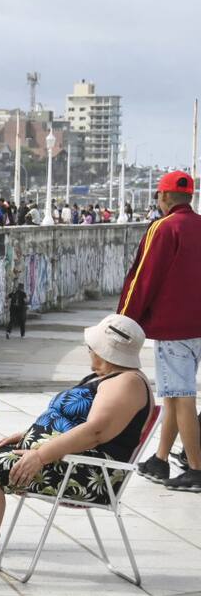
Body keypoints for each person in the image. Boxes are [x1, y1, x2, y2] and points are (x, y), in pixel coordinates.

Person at [0, 314, 153, 587]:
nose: (88, 350)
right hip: (62, 458)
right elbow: (73, 422)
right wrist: (28, 436)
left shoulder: (127, 382)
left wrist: (40, 454)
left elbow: (96, 432)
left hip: (87, 471)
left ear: (101, 349)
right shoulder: (108, 377)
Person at [125, 171, 201, 490]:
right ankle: (159, 460)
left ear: (165, 197)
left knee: (181, 394)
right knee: (172, 393)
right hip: (197, 327)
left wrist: (125, 319)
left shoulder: (164, 227)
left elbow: (143, 278)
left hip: (173, 327)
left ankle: (196, 468)